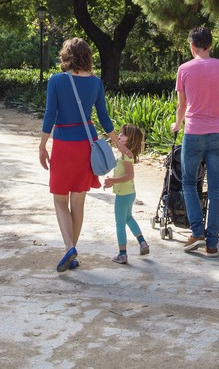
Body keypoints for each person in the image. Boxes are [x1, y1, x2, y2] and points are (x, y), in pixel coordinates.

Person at [172, 26, 219, 256]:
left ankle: (197, 232)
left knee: (188, 183)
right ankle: (212, 243)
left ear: (192, 46)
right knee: (216, 189)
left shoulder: (184, 69)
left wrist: (177, 125)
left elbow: (182, 106)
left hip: (194, 133)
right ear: (211, 46)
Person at [39, 37, 115, 272]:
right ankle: (71, 253)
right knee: (78, 201)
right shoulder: (95, 83)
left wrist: (42, 146)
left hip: (63, 144)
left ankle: (69, 247)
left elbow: (50, 115)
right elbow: (103, 117)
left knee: (60, 199)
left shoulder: (56, 81)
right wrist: (118, 144)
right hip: (87, 144)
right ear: (88, 57)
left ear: (66, 56)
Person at [102, 124, 150, 264]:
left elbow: (130, 175)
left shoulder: (126, 156)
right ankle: (142, 242)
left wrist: (112, 180)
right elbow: (116, 145)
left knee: (120, 223)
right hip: (129, 193)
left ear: (130, 139)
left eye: (123, 135)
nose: (119, 136)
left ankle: (122, 254)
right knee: (128, 218)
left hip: (123, 195)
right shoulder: (126, 153)